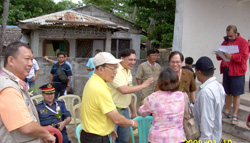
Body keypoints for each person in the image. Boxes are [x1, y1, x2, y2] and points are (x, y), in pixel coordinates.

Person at [0, 42, 55, 143]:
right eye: (27, 59)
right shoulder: (9, 88)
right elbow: (26, 126)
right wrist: (45, 134)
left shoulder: (14, 83)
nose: (31, 63)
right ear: (11, 60)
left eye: (32, 59)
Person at [81, 52, 138, 143]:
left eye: (116, 67)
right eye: (113, 68)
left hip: (91, 135)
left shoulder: (93, 81)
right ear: (100, 69)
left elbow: (98, 112)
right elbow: (117, 119)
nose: (115, 71)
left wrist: (109, 128)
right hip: (96, 138)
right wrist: (132, 123)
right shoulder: (99, 88)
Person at [107, 49, 154, 143]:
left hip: (124, 110)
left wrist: (133, 111)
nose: (133, 62)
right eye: (130, 59)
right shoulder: (116, 71)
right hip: (113, 110)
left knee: (124, 139)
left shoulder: (128, 71)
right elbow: (124, 90)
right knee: (111, 140)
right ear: (122, 59)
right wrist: (143, 85)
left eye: (134, 60)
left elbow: (129, 92)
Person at [139, 68, 186, 143]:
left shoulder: (153, 97)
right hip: (177, 137)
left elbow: (142, 113)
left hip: (157, 138)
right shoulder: (183, 96)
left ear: (160, 82)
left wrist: (143, 104)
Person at [216, 25, 249, 125]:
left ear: (236, 33)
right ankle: (226, 111)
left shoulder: (243, 42)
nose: (229, 38)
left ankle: (235, 114)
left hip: (237, 71)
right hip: (227, 70)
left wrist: (231, 56)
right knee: (228, 92)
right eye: (228, 36)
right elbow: (220, 55)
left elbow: (244, 58)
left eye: (231, 36)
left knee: (236, 93)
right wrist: (219, 54)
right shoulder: (226, 41)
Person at [193, 56, 225, 142]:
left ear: (199, 72)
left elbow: (207, 119)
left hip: (208, 138)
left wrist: (205, 140)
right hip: (215, 135)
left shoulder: (206, 92)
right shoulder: (218, 86)